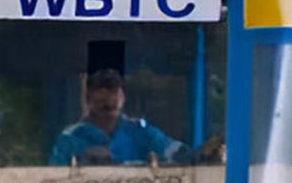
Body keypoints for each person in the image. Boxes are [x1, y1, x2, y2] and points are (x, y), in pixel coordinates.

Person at [51, 69, 200, 165]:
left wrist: (199, 155)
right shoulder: (71, 137)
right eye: (102, 103)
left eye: (114, 102)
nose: (108, 108)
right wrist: (85, 158)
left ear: (122, 98)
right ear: (88, 100)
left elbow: (173, 151)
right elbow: (53, 176)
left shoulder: (140, 131)